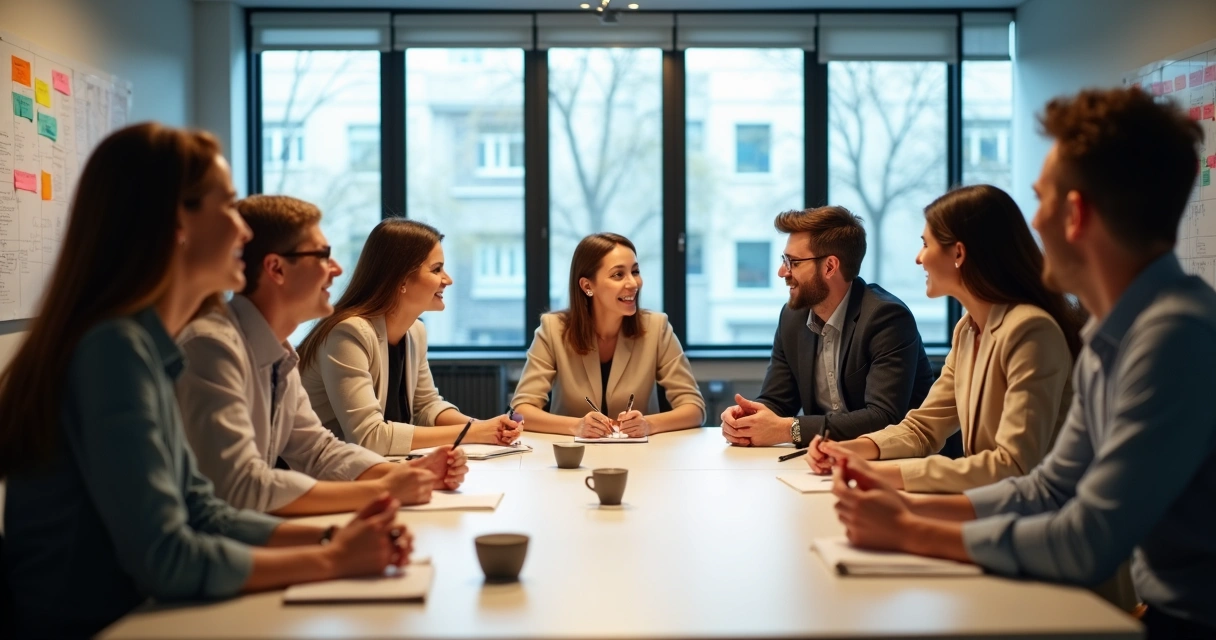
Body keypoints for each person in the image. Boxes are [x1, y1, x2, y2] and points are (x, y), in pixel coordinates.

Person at [825, 87, 1216, 639]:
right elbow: (1049, 489)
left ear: (1076, 214)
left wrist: (911, 530)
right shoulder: (1114, 334)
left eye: (1042, 199)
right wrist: (894, 498)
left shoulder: (1173, 337)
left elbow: (1086, 539)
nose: (1034, 222)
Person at [0, 124, 410, 637]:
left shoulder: (146, 345)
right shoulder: (115, 349)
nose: (243, 230)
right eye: (229, 205)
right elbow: (167, 556)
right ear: (178, 222)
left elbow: (205, 511)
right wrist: (331, 559)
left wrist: (335, 537)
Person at [176, 195, 468, 516]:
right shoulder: (212, 347)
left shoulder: (280, 351)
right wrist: (384, 490)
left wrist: (409, 475)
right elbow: (241, 488)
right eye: (322, 255)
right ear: (276, 268)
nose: (337, 268)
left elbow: (319, 450)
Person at [806, 185, 1082, 493]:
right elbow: (923, 428)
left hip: (1034, 519)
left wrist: (885, 475)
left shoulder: (1030, 331)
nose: (919, 258)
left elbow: (1013, 464)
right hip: (992, 505)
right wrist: (852, 450)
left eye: (926, 244)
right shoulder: (968, 329)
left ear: (959, 253)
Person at [298, 218, 522, 456]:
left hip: (367, 468)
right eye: (436, 269)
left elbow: (426, 406)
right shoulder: (348, 333)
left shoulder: (415, 331)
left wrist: (484, 427)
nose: (448, 279)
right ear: (402, 279)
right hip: (313, 478)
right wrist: (474, 432)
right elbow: (368, 437)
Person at [721, 206, 934, 448]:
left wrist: (788, 429)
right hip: (822, 458)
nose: (782, 272)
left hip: (897, 461)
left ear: (830, 267)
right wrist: (748, 419)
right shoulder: (793, 316)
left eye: (793, 262)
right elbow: (777, 400)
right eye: (784, 260)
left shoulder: (886, 318)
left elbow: (883, 418)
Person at [512, 233, 705, 437]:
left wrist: (649, 424)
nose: (633, 283)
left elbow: (694, 408)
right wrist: (576, 427)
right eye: (618, 275)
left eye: (635, 271)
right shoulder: (553, 330)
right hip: (573, 458)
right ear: (587, 286)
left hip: (642, 458)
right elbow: (521, 411)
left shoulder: (657, 328)